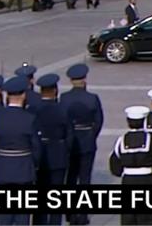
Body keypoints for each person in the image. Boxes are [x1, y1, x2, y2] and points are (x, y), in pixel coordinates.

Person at [0, 76, 41, 226]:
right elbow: (36, 147)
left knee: (4, 215)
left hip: (3, 167)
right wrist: (35, 165)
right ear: (24, 95)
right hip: (23, 168)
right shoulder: (29, 118)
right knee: (23, 215)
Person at [60, 64, 102, 226]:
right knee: (85, 179)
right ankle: (83, 215)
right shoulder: (92, 98)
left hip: (70, 144)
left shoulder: (64, 98)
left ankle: (70, 213)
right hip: (87, 141)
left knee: (70, 178)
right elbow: (98, 121)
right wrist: (91, 136)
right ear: (84, 79)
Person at [109, 106, 152, 226]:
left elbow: (115, 163)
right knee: (146, 217)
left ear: (128, 122)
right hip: (147, 179)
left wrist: (123, 172)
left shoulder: (121, 140)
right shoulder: (151, 139)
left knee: (128, 217)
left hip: (128, 180)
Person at [33, 74, 71, 226]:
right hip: (58, 155)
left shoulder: (33, 110)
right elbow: (70, 135)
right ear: (55, 91)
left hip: (40, 156)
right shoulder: (62, 110)